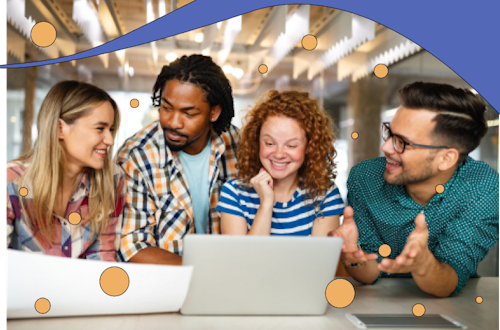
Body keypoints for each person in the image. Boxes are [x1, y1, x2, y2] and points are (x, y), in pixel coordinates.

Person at [330, 81, 500, 297]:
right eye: (390, 133)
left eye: (402, 142)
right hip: (377, 300)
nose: (385, 147)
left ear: (446, 158)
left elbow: (450, 279)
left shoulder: (483, 187)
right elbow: (370, 271)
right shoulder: (365, 177)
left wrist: (424, 264)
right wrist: (353, 259)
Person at [116, 54, 238, 265]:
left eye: (188, 113)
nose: (173, 122)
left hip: (233, 280)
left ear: (214, 112)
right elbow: (132, 246)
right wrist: (205, 272)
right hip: (167, 287)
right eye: (166, 107)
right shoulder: (136, 156)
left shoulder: (239, 145)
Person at [6, 80, 126, 261]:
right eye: (100, 128)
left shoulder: (112, 179)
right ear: (60, 128)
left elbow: (103, 256)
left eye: (111, 129)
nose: (109, 140)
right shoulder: (11, 182)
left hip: (83, 288)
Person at [217, 90, 344, 236]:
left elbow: (322, 258)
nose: (278, 154)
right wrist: (266, 204)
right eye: (270, 143)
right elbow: (242, 258)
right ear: (257, 141)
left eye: (291, 146)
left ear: (309, 147)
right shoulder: (234, 193)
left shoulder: (325, 195)